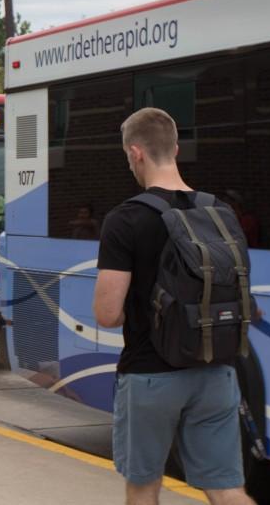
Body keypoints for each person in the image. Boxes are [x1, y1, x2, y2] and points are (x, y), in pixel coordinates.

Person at [92, 107, 254, 505]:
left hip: (150, 375)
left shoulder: (125, 218)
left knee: (144, 489)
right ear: (176, 149)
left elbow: (108, 314)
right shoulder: (219, 212)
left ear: (135, 153)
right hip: (216, 370)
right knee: (226, 489)